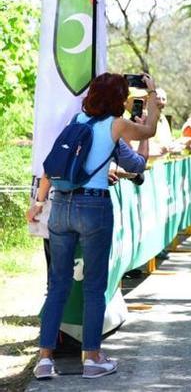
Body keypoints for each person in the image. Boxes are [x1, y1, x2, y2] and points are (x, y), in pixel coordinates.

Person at [27, 73, 160, 380]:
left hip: (59, 205)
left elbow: (52, 164)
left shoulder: (76, 120)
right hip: (93, 207)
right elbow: (149, 132)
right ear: (118, 100)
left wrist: (38, 202)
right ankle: (92, 358)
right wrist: (152, 95)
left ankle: (45, 360)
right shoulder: (117, 125)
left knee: (57, 286)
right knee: (94, 286)